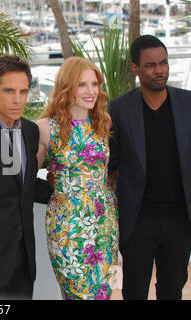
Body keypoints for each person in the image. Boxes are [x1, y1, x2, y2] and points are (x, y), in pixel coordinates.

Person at [108, 35, 191, 300]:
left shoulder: (187, 103)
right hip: (138, 221)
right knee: (134, 292)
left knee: (172, 292)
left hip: (180, 219)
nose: (160, 70)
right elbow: (111, 161)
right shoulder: (119, 108)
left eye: (164, 63)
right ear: (135, 68)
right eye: (151, 65)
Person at [37, 57, 119, 300]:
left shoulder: (103, 123)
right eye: (82, 84)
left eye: (94, 84)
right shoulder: (45, 127)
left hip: (104, 223)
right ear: (66, 86)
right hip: (67, 226)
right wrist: (52, 186)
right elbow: (23, 176)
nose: (91, 91)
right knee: (78, 294)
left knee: (103, 293)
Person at [0, 55, 50, 299]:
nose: (18, 99)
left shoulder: (30, 131)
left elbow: (23, 185)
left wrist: (68, 187)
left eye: (23, 91)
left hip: (24, 257)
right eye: (9, 91)